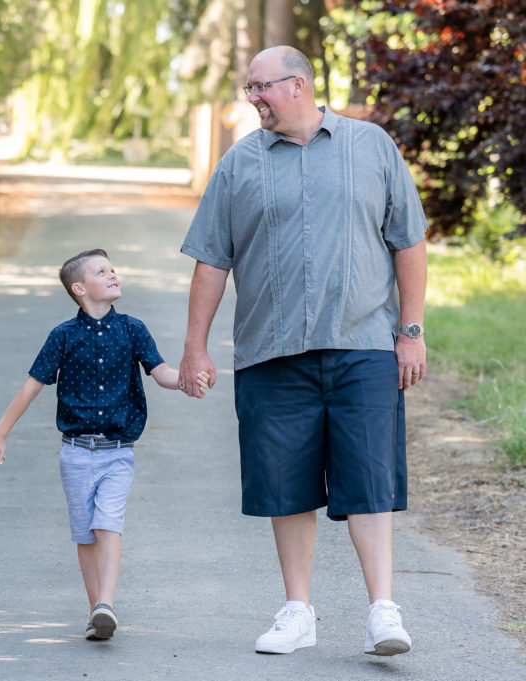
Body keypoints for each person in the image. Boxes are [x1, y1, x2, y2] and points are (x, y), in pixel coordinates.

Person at [178, 46, 428, 657]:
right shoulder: (239, 164)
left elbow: (409, 241)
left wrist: (411, 330)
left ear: (298, 84)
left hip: (364, 343)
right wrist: (195, 348)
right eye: (248, 89)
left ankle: (382, 610)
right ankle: (298, 611)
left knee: (369, 478)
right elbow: (212, 257)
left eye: (261, 87)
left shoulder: (371, 146)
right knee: (284, 485)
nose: (254, 99)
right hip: (271, 350)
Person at [0, 249, 203, 640]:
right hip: (76, 452)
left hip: (118, 452)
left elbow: (159, 371)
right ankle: (96, 611)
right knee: (84, 533)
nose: (113, 275)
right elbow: (32, 386)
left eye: (113, 269)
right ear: (79, 288)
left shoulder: (132, 329)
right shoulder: (63, 336)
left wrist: (184, 379)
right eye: (102, 271)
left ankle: (106, 603)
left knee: (107, 524)